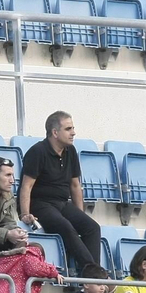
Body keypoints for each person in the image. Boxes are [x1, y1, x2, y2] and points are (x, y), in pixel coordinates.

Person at [19, 112, 102, 273]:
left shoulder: (70, 151)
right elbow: (26, 186)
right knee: (65, 226)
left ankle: (91, 276)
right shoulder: (37, 152)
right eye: (68, 129)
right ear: (55, 132)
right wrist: (25, 213)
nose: (73, 133)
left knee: (92, 227)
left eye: (73, 128)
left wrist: (80, 215)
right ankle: (94, 273)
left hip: (62, 203)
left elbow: (75, 186)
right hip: (40, 204)